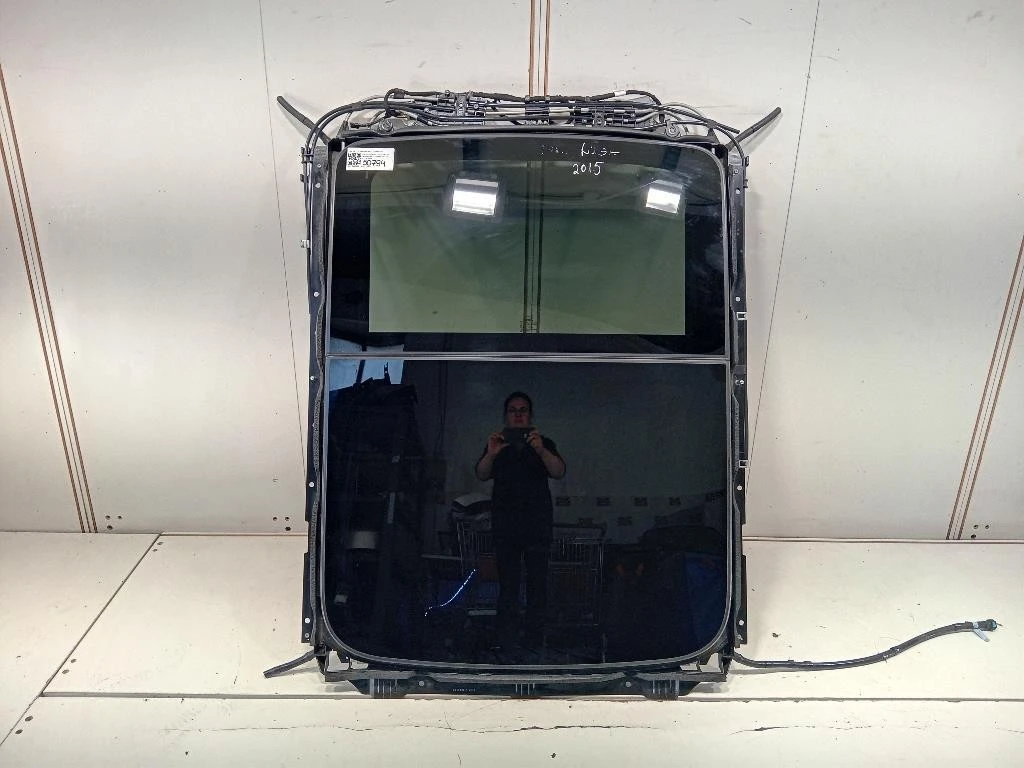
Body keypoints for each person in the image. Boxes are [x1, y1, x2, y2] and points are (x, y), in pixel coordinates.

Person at [475, 392, 566, 648]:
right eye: (513, 410)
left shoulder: (544, 443)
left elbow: (559, 471)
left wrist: (541, 450)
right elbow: (481, 474)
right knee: (508, 585)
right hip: (505, 526)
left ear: (530, 415)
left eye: (523, 410)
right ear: (506, 416)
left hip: (537, 525)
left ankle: (534, 642)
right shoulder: (497, 443)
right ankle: (506, 640)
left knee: (537, 584)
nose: (518, 414)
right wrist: (491, 454)